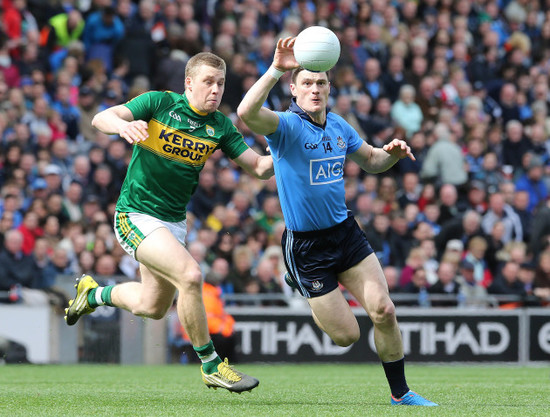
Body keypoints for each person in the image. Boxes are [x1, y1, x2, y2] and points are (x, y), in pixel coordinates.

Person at [237, 37, 437, 406]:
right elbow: (247, 113)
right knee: (346, 337)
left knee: (385, 311)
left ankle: (401, 393)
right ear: (294, 90)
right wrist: (276, 69)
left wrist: (391, 153)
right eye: (307, 83)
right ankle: (298, 280)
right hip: (306, 248)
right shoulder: (285, 128)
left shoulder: (340, 126)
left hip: (346, 234)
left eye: (322, 83)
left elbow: (373, 161)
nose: (315, 89)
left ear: (330, 88)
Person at [64, 52, 273, 393]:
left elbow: (260, 168)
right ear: (188, 82)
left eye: (220, 83)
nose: (215, 90)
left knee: (153, 306)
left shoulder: (220, 126)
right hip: (135, 215)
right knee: (191, 276)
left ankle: (94, 294)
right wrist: (123, 125)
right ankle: (210, 363)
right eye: (208, 82)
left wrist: (291, 148)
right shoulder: (160, 103)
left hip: (172, 224)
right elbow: (103, 117)